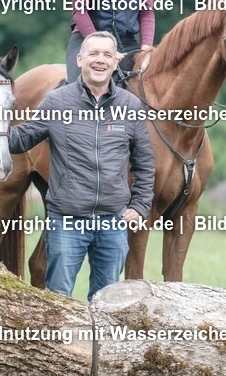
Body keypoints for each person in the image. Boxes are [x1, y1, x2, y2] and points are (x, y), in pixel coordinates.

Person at [9, 31, 155, 300]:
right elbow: (24, 136)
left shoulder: (130, 106)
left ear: (115, 61)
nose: (100, 60)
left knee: (106, 304)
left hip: (113, 223)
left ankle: (99, 345)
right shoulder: (57, 101)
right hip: (67, 222)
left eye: (107, 55)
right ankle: (59, 344)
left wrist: (140, 206)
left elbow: (145, 162)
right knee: (58, 300)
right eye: (94, 54)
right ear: (79, 59)